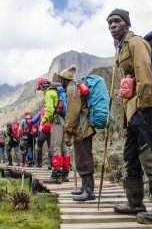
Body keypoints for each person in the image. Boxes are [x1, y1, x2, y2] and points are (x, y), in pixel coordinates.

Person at [106, 8, 152, 224]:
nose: (113, 25)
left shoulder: (136, 43)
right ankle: (135, 204)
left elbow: (144, 74)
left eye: (117, 21)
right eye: (110, 23)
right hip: (133, 110)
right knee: (131, 156)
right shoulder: (121, 47)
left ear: (126, 24)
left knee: (150, 156)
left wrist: (142, 106)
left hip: (147, 107)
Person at [60, 65, 96, 201]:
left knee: (84, 158)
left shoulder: (71, 90)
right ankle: (84, 188)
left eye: (61, 79)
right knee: (83, 157)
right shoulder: (76, 87)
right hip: (84, 128)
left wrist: (67, 134)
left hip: (81, 129)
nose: (60, 82)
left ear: (65, 79)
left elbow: (71, 114)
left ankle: (88, 191)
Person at [36, 78, 70, 184]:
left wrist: (42, 122)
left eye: (40, 88)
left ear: (42, 86)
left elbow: (50, 110)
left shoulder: (49, 93)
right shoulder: (57, 91)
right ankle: (65, 173)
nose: (41, 90)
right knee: (64, 147)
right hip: (64, 120)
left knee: (55, 147)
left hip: (56, 122)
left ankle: (56, 175)